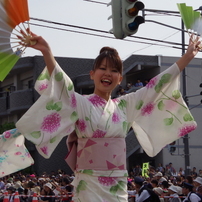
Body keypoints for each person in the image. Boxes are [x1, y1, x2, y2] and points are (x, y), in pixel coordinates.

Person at [0, 31, 201, 202]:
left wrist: (187, 57)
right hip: (88, 184)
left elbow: (155, 86)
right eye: (102, 68)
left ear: (120, 79)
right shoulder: (81, 103)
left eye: (114, 70)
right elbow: (63, 86)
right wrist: (46, 51)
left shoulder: (125, 105)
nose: (108, 73)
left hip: (118, 185)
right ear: (92, 74)